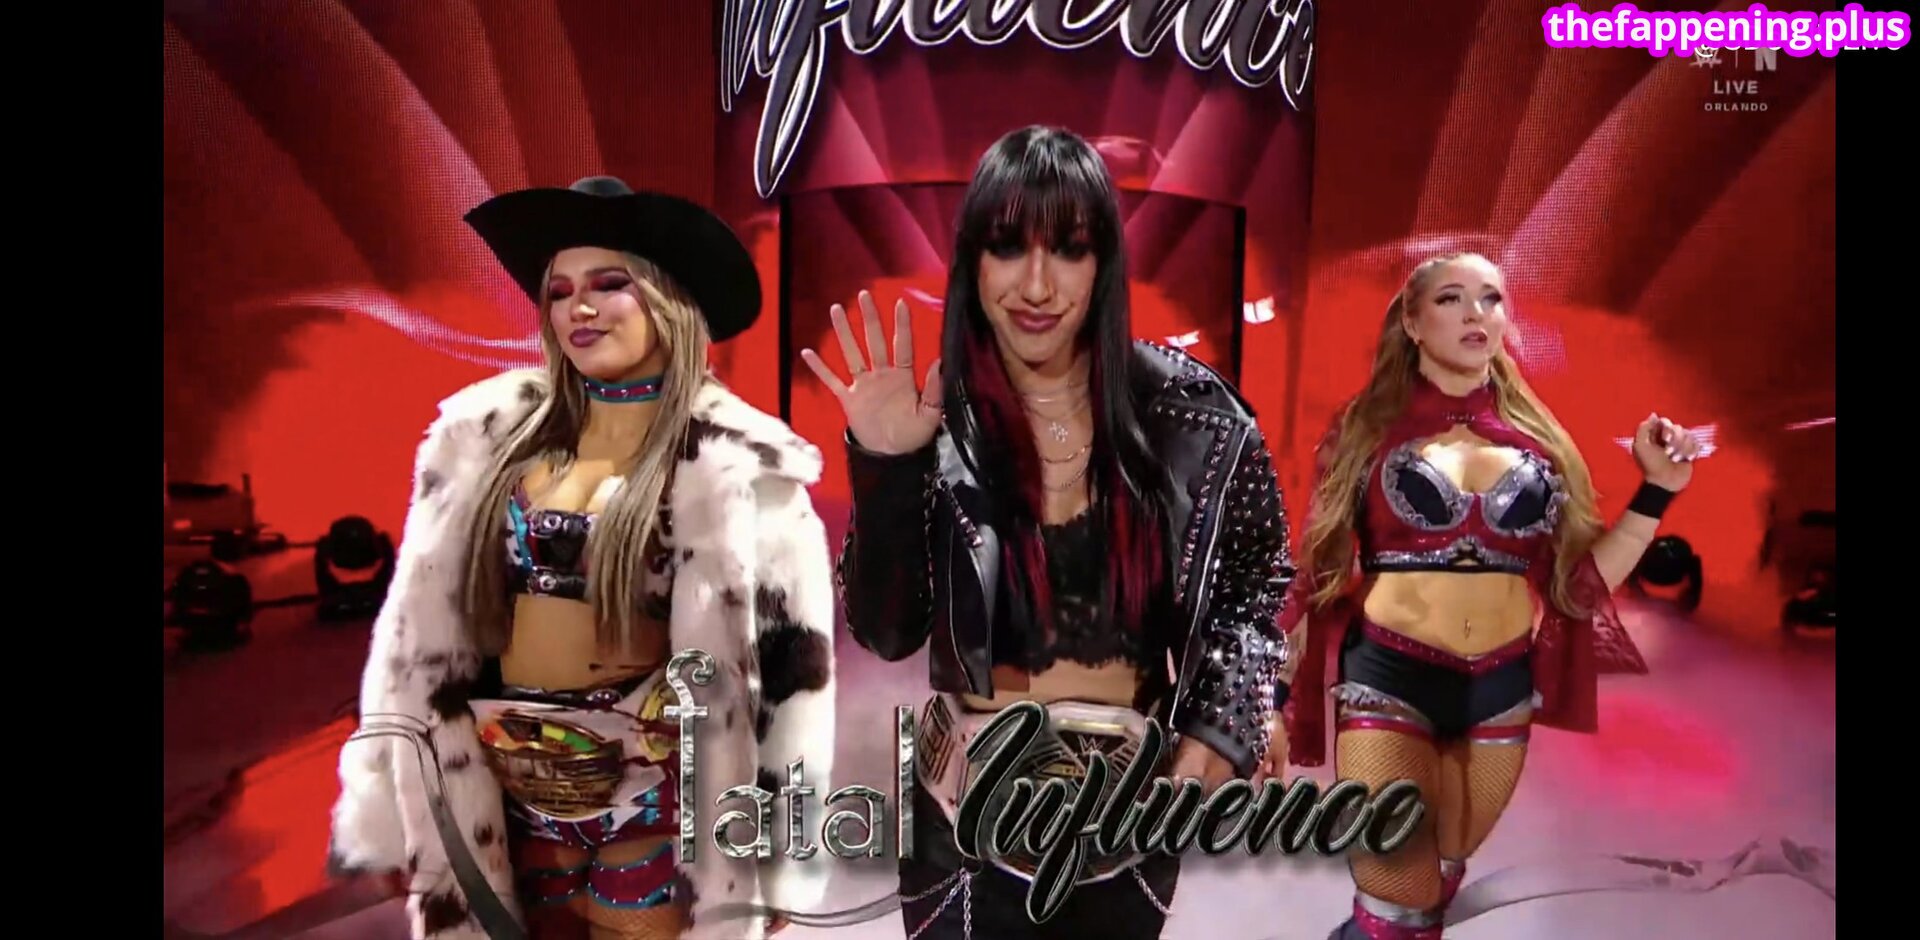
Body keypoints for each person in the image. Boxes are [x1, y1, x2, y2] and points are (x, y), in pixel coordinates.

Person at [802, 125, 1296, 939]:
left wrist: (1224, 723)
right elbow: (886, 632)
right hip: (958, 831)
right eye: (1007, 248)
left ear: (1104, 264)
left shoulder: (1196, 417)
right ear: (973, 263)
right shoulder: (936, 418)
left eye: (1068, 249)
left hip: (1130, 829)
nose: (1036, 284)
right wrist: (887, 466)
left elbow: (1254, 587)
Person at [327, 176, 837, 940]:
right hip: (505, 801)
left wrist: (784, 853)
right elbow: (410, 642)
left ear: (668, 301)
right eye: (561, 292)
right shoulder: (481, 444)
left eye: (608, 285)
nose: (579, 308)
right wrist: (384, 795)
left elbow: (794, 678)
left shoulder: (737, 466)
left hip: (657, 806)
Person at [1263, 252, 1703, 940]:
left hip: (1499, 691)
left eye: (1491, 298)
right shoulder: (1366, 432)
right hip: (1390, 681)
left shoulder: (1542, 446)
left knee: (1430, 895)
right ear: (1412, 323)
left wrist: (1656, 493)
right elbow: (1313, 573)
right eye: (1451, 298)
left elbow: (1577, 589)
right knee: (1398, 897)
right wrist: (1271, 697)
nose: (1476, 313)